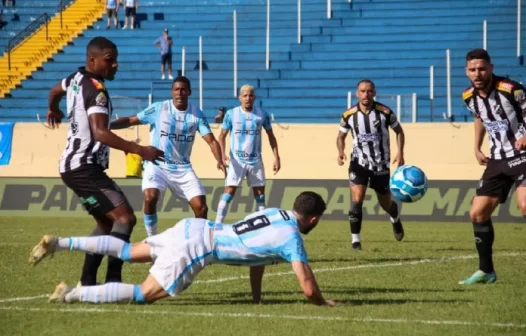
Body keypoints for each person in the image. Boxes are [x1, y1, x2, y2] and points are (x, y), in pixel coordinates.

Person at [29, 191, 335, 307]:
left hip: (195, 227)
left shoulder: (273, 212)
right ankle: (71, 293)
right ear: (313, 218)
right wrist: (324, 302)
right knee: (141, 294)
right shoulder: (292, 238)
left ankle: (59, 243)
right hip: (200, 246)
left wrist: (257, 298)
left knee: (126, 252)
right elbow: (308, 289)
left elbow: (258, 256)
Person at [45, 36, 164, 286]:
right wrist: (139, 150)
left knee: (106, 222)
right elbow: (100, 132)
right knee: (125, 219)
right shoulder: (96, 90)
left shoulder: (76, 78)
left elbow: (55, 90)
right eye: (110, 60)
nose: (115, 65)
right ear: (92, 60)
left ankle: (87, 281)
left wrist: (53, 109)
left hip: (74, 167)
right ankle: (113, 280)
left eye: (116, 60)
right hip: (84, 167)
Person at [110, 76, 226, 237]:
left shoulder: (196, 114)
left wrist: (219, 159)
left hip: (183, 168)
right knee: (150, 198)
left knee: (202, 208)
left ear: (189, 92)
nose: (180, 93)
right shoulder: (159, 108)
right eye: (176, 89)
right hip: (157, 165)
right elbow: (131, 120)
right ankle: (153, 240)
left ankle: (199, 242)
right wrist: (107, 126)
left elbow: (211, 140)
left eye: (183, 89)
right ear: (172, 92)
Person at [460, 49, 526, 285]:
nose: (477, 73)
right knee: (477, 213)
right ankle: (486, 271)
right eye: (472, 70)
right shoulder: (468, 96)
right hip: (497, 160)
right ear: (467, 72)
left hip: (523, 155)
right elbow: (480, 117)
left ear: (491, 68)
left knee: (525, 206)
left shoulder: (511, 89)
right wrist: (477, 147)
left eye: (482, 68)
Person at [336, 79, 405, 250]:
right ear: (357, 93)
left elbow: (399, 131)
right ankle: (355, 241)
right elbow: (340, 136)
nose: (366, 94)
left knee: (386, 204)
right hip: (358, 163)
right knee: (356, 200)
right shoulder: (349, 115)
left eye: (369, 91)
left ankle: (395, 217)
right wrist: (340, 152)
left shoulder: (385, 112)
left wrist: (400, 152)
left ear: (374, 93)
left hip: (381, 165)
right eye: (362, 91)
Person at [215, 85, 280, 224]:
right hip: (237, 161)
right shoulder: (231, 114)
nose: (248, 98)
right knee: (228, 193)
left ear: (254, 97)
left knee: (260, 197)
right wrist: (222, 155)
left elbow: (271, 136)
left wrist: (276, 157)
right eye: (244, 95)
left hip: (255, 161)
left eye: (250, 95)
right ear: (240, 98)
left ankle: (261, 228)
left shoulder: (262, 115)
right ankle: (217, 226)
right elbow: (222, 136)